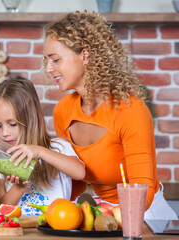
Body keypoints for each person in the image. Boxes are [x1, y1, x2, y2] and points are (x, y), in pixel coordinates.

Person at [44, 11, 177, 220]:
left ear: (85, 55)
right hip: (103, 213)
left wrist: (111, 218)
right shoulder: (62, 111)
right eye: (46, 60)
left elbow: (144, 188)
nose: (48, 68)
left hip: (146, 215)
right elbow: (76, 182)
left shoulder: (130, 110)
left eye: (55, 60)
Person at [0, 77, 85, 215]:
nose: (5, 133)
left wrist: (40, 152)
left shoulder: (57, 147)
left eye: (13, 124)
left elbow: (79, 172)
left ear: (31, 119)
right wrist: (18, 188)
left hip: (55, 230)